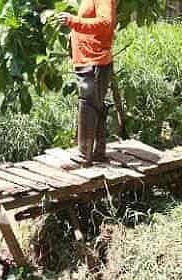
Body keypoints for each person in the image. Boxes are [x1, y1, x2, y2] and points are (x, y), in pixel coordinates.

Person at [57, 0, 117, 166]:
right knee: (94, 104)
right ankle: (98, 152)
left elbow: (106, 23)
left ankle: (84, 156)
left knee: (88, 105)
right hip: (88, 59)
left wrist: (73, 21)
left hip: (94, 60)